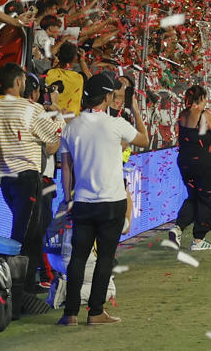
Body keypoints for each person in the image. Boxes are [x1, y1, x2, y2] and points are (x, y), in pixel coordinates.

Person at [56, 72, 137, 326]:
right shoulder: (116, 124)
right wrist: (133, 108)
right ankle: (95, 312)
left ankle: (70, 314)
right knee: (104, 257)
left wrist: (68, 198)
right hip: (111, 202)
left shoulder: (72, 126)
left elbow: (66, 168)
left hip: (82, 201)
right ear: (106, 97)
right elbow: (143, 139)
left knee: (78, 258)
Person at [0, 63, 60, 287]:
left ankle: (24, 286)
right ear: (18, 82)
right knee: (27, 235)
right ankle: (20, 289)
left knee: (24, 231)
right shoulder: (32, 108)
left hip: (6, 180)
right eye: (23, 80)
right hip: (28, 178)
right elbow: (54, 136)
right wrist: (58, 114)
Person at [170, 85, 211, 252]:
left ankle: (178, 228)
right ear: (201, 98)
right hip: (206, 163)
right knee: (207, 198)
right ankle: (199, 239)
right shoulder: (204, 114)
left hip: (185, 162)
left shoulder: (182, 114)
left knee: (194, 196)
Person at [45, 41, 85, 117]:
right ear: (75, 58)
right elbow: (92, 80)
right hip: (70, 123)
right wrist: (82, 61)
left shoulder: (48, 73)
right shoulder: (80, 78)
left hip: (51, 120)